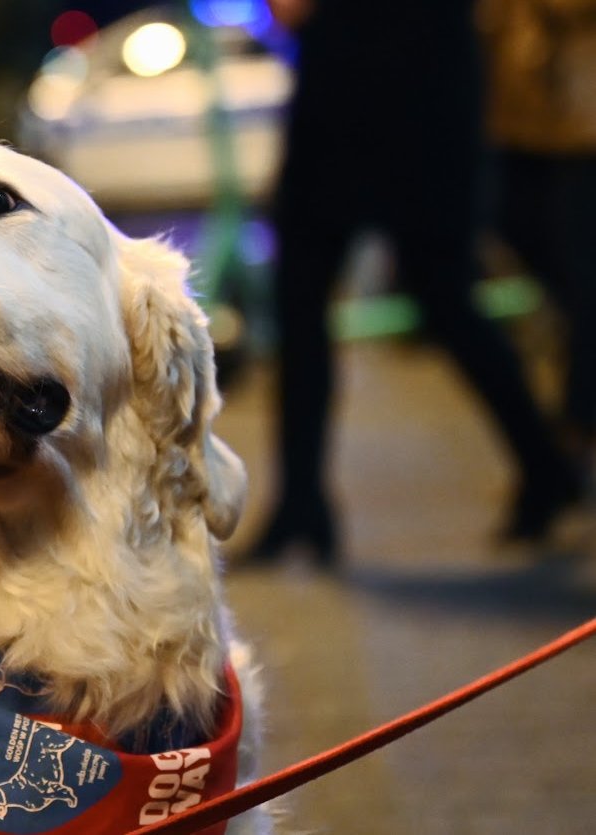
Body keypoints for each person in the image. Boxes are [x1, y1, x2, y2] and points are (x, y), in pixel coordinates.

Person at [242, 0, 584, 568]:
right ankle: (302, 500)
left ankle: (545, 467)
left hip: (400, 83)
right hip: (395, 80)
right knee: (384, 295)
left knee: (423, 294)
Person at [483, 0, 596, 468]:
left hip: (580, 104)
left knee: (580, 262)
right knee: (517, 227)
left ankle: (581, 417)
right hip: (518, 105)